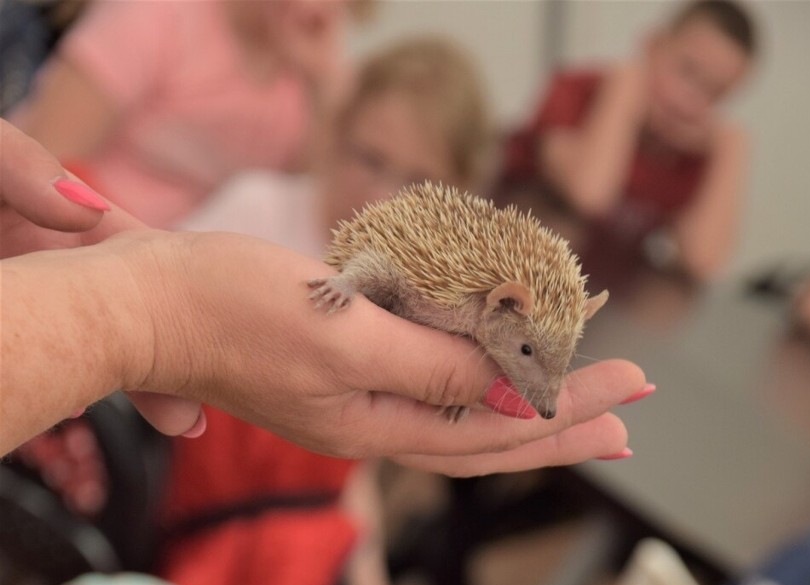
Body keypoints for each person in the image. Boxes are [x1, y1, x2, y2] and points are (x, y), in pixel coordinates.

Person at [163, 36, 495, 585]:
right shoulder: (255, 212)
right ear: (333, 135)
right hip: (184, 477)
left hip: (295, 519)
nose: (380, 194)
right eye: (368, 158)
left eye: (414, 182)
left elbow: (350, 467)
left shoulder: (409, 302)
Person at [0, 119, 648, 469]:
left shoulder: (499, 320)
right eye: (532, 356)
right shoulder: (450, 292)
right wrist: (150, 317)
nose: (539, 395)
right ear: (504, 304)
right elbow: (380, 271)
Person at [12, 0, 373, 226]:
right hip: (75, 233)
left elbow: (314, 209)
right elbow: (49, 157)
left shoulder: (312, 73)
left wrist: (325, 79)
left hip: (179, 266)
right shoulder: (160, 15)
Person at [504, 0, 758, 280]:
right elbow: (589, 194)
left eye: (715, 93)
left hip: (586, 289)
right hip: (506, 262)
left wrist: (732, 149)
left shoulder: (691, 154)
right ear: (652, 45)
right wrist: (624, 91)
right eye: (687, 71)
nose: (691, 101)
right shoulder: (578, 90)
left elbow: (704, 259)